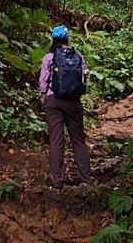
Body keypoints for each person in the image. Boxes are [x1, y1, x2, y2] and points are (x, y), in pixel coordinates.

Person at [38, 25, 93, 189]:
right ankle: (86, 179)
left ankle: (56, 180)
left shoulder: (49, 57)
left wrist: (45, 96)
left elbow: (43, 81)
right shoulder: (78, 56)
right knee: (78, 140)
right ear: (67, 39)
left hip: (53, 100)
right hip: (73, 102)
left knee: (56, 140)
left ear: (53, 40)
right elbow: (85, 76)